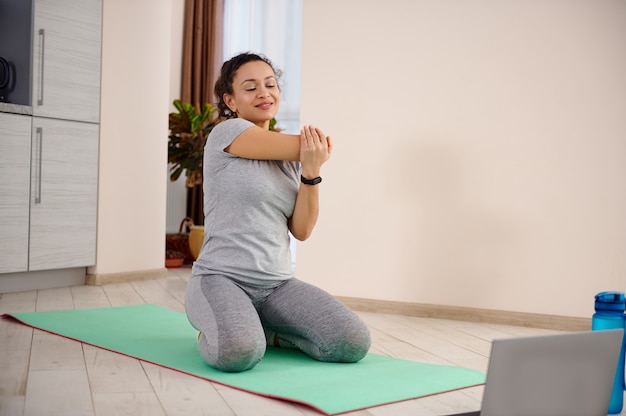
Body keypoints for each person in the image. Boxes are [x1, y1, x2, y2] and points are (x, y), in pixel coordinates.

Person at [184, 52, 371, 372]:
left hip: (278, 285)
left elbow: (302, 230)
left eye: (270, 84)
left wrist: (311, 174)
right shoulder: (225, 134)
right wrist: (316, 150)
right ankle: (224, 327)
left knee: (351, 341)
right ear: (230, 100)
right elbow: (316, 145)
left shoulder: (288, 160)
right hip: (220, 279)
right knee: (238, 351)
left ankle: (268, 332)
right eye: (251, 87)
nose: (264, 93)